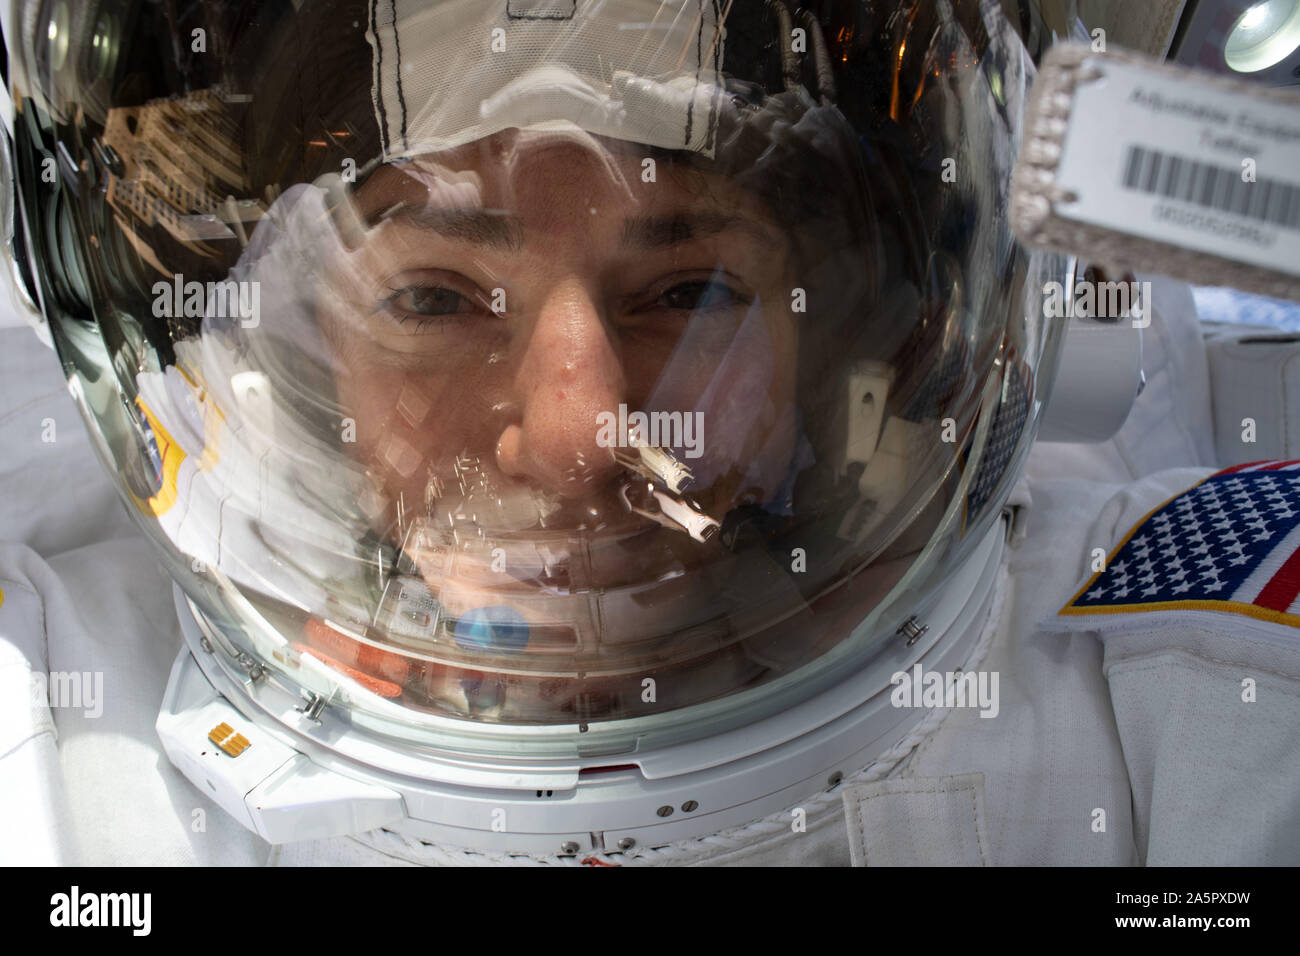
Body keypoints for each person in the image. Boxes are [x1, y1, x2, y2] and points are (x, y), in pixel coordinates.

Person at [2, 0, 1296, 866]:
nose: (579, 434)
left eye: (689, 294)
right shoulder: (61, 746)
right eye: (436, 301)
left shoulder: (1176, 672)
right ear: (298, 369)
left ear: (845, 337)